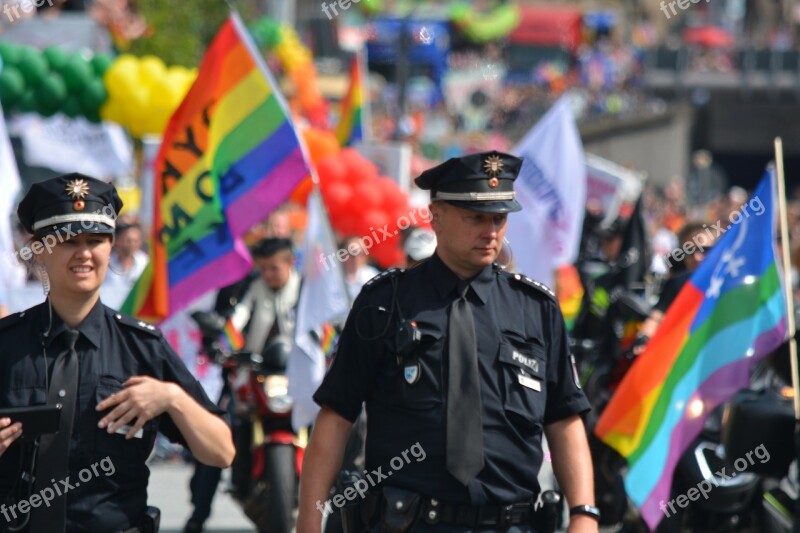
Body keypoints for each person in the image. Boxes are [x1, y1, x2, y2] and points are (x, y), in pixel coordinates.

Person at [297, 152, 598, 532]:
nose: (490, 231)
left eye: (499, 219)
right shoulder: (384, 303)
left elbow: (563, 418)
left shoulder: (535, 308)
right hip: (410, 522)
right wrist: (309, 519)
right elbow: (337, 416)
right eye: (476, 218)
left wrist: (585, 514)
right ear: (436, 216)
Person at [0, 173, 235, 533]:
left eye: (96, 240)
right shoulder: (6, 344)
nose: (84, 253)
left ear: (110, 247)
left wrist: (171, 398)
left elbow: (220, 451)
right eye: (69, 241)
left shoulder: (141, 348)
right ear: (41, 249)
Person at [184, 237, 301, 532]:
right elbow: (235, 323)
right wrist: (222, 346)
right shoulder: (249, 288)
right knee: (218, 429)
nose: (269, 274)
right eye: (263, 269)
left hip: (300, 381)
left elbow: (326, 327)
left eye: (274, 268)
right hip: (250, 378)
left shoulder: (309, 291)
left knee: (349, 421)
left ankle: (349, 497)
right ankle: (199, 513)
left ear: (290, 263)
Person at [102, 219, 149, 309]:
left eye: (136, 240)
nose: (132, 244)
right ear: (117, 241)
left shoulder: (145, 263)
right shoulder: (104, 261)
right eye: (128, 240)